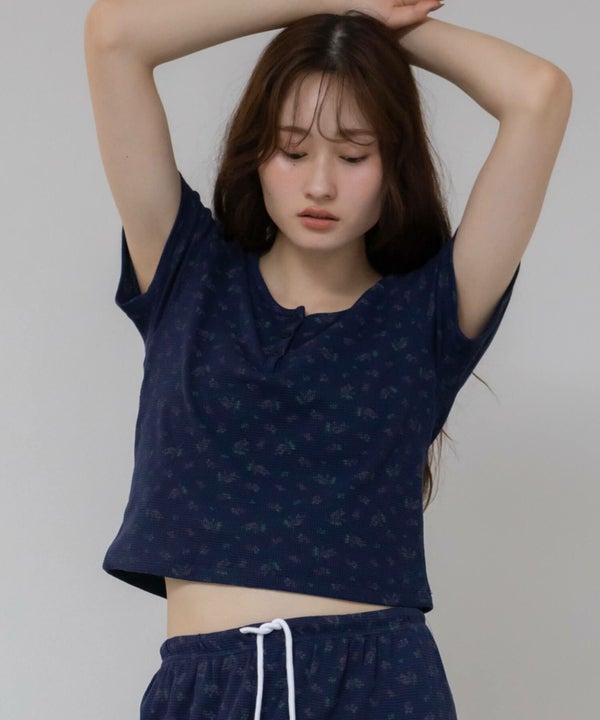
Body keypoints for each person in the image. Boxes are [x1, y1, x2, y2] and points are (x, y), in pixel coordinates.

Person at [84, 1, 572, 718]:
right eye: (292, 150)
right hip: (206, 690)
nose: (320, 185)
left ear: (393, 164)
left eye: (353, 155)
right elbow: (114, 37)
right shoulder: (188, 269)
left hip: (378, 686)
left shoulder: (432, 310)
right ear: (257, 152)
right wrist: (329, 3)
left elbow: (538, 93)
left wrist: (367, 31)